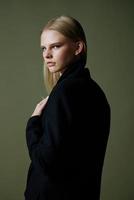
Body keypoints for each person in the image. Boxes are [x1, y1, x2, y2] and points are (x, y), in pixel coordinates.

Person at [24, 15, 111, 200]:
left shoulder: (65, 92)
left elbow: (46, 161)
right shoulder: (95, 92)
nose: (47, 55)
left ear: (78, 47)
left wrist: (33, 124)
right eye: (43, 48)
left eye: (55, 46)